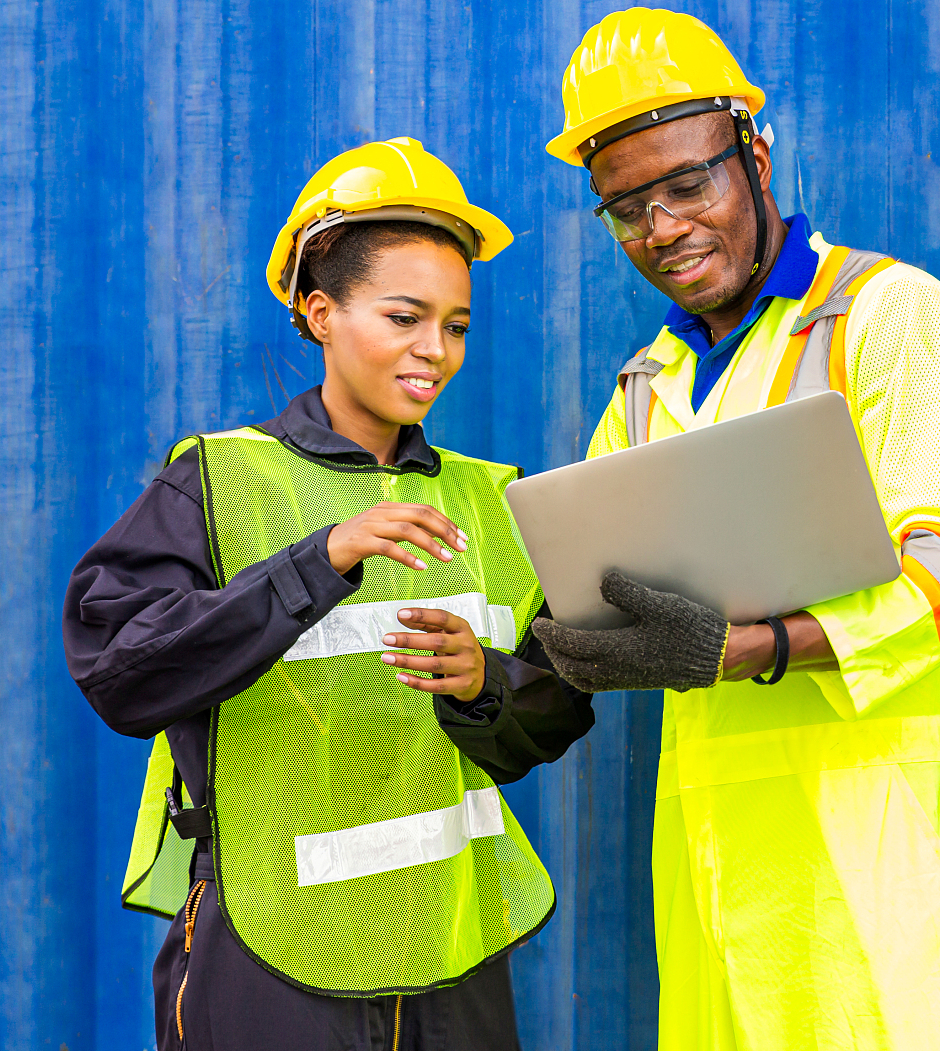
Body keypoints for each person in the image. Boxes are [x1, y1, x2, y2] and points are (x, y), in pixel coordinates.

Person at [484, 7, 940, 1050]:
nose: (664, 228)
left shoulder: (886, 316)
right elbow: (578, 597)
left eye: (688, 185)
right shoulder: (649, 383)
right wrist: (495, 679)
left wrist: (755, 649)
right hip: (710, 862)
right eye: (626, 209)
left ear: (754, 156)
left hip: (864, 858)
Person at [64, 137, 593, 1051]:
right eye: (404, 316)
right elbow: (120, 671)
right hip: (268, 961)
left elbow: (553, 715)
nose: (437, 350)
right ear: (320, 313)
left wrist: (483, 685)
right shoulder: (219, 482)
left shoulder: (494, 500)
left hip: (453, 956)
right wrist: (321, 561)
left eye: (457, 325)